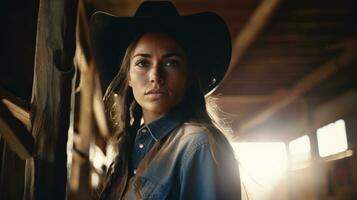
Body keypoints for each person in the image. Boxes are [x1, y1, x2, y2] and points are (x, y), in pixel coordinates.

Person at [90, 1, 241, 199]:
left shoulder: (197, 144)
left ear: (188, 77)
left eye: (171, 63)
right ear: (128, 77)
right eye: (143, 63)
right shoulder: (129, 152)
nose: (155, 76)